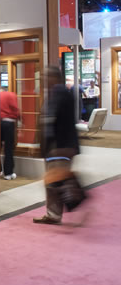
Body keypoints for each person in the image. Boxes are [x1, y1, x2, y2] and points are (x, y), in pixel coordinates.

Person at [33, 66, 81, 225]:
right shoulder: (58, 93)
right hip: (58, 147)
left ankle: (56, 212)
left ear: (54, 77)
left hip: (59, 148)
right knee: (54, 181)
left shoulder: (59, 93)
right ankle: (54, 213)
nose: (43, 80)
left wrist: (50, 146)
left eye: (45, 76)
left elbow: (52, 122)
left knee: (56, 181)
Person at [0, 86, 20, 180]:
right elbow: (15, 109)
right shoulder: (11, 95)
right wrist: (20, 119)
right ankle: (8, 173)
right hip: (9, 123)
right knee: (8, 149)